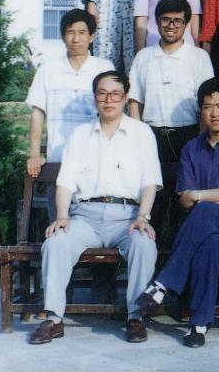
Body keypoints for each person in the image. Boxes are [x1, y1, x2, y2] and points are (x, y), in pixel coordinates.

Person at [28, 71, 160, 345]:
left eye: (115, 94)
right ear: (94, 97)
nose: (108, 99)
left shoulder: (141, 133)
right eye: (102, 93)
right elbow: (65, 182)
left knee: (144, 243)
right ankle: (53, 318)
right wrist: (62, 216)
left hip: (127, 217)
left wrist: (142, 216)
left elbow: (150, 181)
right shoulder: (80, 135)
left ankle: (135, 317)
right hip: (85, 217)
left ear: (125, 98)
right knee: (56, 241)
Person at [135, 78, 219, 348]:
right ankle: (198, 325)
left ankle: (163, 284)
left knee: (204, 212)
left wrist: (202, 197)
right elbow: (185, 200)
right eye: (208, 107)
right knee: (208, 240)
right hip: (204, 227)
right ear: (200, 111)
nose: (214, 113)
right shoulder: (191, 149)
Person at [26, 10, 114, 182]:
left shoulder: (104, 68)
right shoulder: (48, 69)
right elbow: (37, 113)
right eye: (70, 32)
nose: (76, 39)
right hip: (57, 160)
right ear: (63, 37)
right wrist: (35, 155)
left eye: (82, 33)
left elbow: (113, 114)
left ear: (91, 37)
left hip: (96, 161)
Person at [129, 0, 215, 167]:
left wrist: (200, 142)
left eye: (178, 21)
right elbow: (135, 103)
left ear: (186, 24)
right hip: (150, 136)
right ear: (157, 21)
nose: (171, 26)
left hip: (189, 135)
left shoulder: (199, 57)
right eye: (166, 19)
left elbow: (207, 103)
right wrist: (138, 138)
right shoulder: (143, 56)